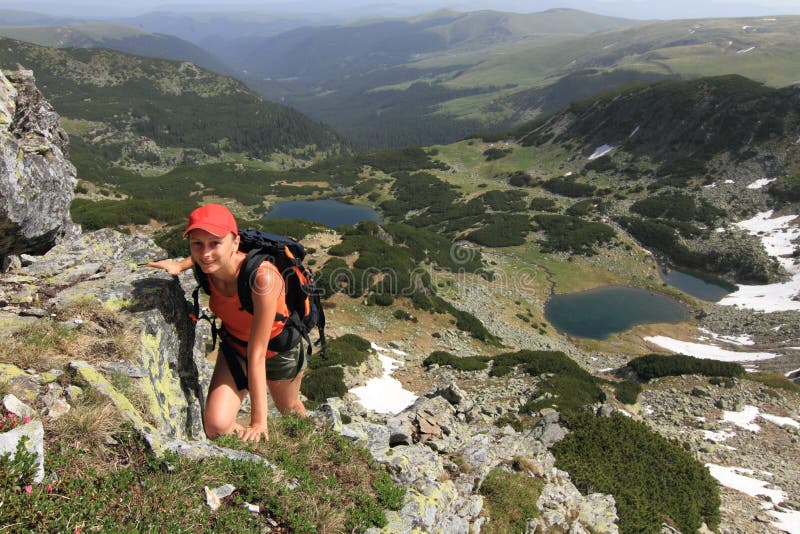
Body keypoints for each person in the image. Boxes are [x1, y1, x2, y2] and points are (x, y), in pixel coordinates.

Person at [148, 203, 307, 442]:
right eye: (197, 244)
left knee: (290, 411)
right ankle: (262, 446)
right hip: (235, 346)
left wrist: (258, 422)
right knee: (216, 427)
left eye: (215, 243)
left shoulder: (263, 278)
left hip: (277, 349)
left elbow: (258, 353)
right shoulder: (207, 265)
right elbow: (201, 256)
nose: (205, 253)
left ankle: (312, 443)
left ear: (235, 243)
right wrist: (179, 265)